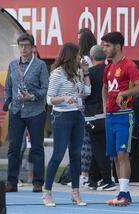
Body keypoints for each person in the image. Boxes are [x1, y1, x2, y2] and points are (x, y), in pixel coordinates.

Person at [43, 43, 91, 206]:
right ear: (70, 56)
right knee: (58, 153)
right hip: (62, 116)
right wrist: (63, 98)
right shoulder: (57, 73)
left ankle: (75, 193)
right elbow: (49, 99)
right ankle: (47, 192)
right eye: (78, 55)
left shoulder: (77, 73)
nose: (81, 58)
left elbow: (87, 92)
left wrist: (85, 72)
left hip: (77, 115)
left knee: (76, 155)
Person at [101, 32, 139, 206]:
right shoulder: (108, 67)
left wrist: (124, 93)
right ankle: (123, 192)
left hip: (123, 115)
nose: (104, 49)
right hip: (110, 116)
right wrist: (105, 106)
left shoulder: (129, 65)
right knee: (114, 156)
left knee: (122, 154)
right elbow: (105, 88)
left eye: (107, 46)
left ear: (117, 46)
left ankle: (124, 193)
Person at [4, 33, 49, 193]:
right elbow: (8, 85)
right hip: (16, 111)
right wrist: (7, 101)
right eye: (21, 46)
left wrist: (33, 96)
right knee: (14, 148)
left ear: (32, 48)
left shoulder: (40, 65)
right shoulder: (12, 65)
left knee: (36, 148)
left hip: (35, 111)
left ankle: (37, 182)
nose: (23, 48)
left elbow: (45, 88)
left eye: (26, 46)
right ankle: (11, 182)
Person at [84, 45, 116, 191]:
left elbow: (85, 93)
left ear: (91, 57)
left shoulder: (88, 73)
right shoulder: (111, 71)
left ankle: (106, 179)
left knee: (98, 147)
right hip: (108, 112)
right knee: (100, 145)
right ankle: (92, 179)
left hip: (92, 115)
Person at [76, 28, 97, 187]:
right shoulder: (93, 59)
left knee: (85, 141)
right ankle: (88, 174)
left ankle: (84, 175)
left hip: (84, 104)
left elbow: (83, 82)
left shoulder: (84, 60)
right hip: (91, 104)